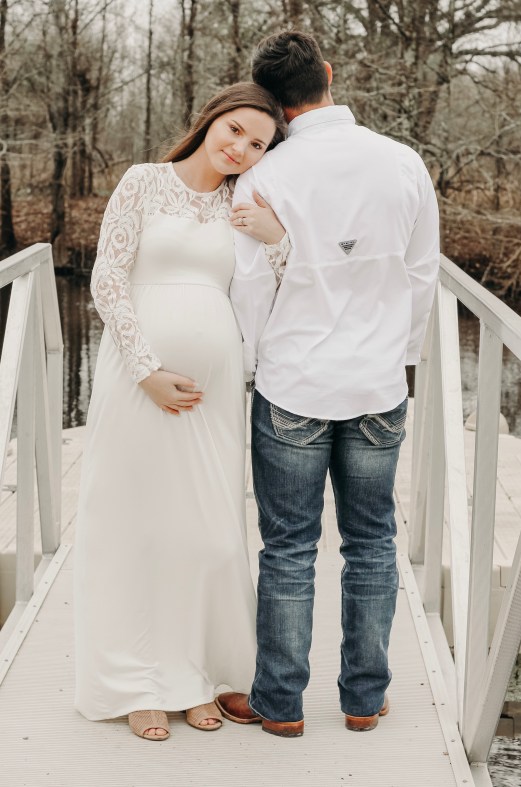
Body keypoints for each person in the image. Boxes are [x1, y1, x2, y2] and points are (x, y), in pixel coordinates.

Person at [217, 31, 440, 737]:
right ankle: (363, 698)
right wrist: (398, 358)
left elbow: (251, 288)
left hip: (294, 381)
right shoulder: (402, 162)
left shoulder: (265, 174)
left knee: (288, 548)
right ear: (329, 74)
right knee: (371, 542)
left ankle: (280, 704)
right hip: (377, 382)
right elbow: (420, 275)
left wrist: (249, 369)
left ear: (272, 102)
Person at [74, 82, 289, 741]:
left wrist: (279, 238)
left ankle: (193, 675)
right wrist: (146, 370)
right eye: (235, 130)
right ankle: (137, 683)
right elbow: (108, 278)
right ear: (210, 120)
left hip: (213, 397)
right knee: (134, 526)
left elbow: (283, 288)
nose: (241, 148)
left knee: (205, 532)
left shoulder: (246, 205)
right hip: (136, 381)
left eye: (258, 144)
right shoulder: (143, 181)